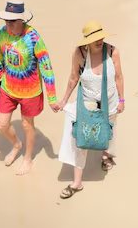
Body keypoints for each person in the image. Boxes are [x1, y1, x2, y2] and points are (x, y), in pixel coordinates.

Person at [52, 21, 125, 199]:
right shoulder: (80, 53)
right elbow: (73, 78)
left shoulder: (112, 51)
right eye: (94, 39)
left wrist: (122, 99)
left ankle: (106, 155)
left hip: (110, 101)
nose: (99, 41)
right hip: (87, 102)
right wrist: (63, 100)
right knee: (81, 137)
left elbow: (118, 77)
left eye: (100, 37)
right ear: (87, 41)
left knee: (109, 129)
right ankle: (77, 182)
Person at [0, 1, 57, 176]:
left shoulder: (33, 37)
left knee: (28, 126)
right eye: (6, 21)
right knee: (1, 124)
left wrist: (52, 97)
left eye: (12, 21)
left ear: (22, 20)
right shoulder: (2, 34)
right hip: (7, 87)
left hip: (30, 92)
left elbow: (46, 66)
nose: (8, 25)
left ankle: (27, 158)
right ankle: (16, 145)